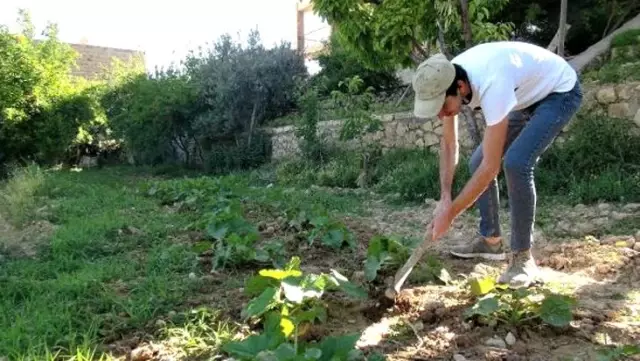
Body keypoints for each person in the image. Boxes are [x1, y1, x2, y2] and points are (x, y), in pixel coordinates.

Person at [411, 41, 583, 288]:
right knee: (476, 160)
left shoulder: (492, 82)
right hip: (524, 96)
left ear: (459, 87)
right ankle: (490, 240)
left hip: (558, 93)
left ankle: (522, 259)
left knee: (516, 163)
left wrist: (450, 215)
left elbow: (492, 168)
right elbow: (449, 145)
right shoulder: (446, 76)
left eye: (441, 107)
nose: (440, 115)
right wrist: (445, 197)